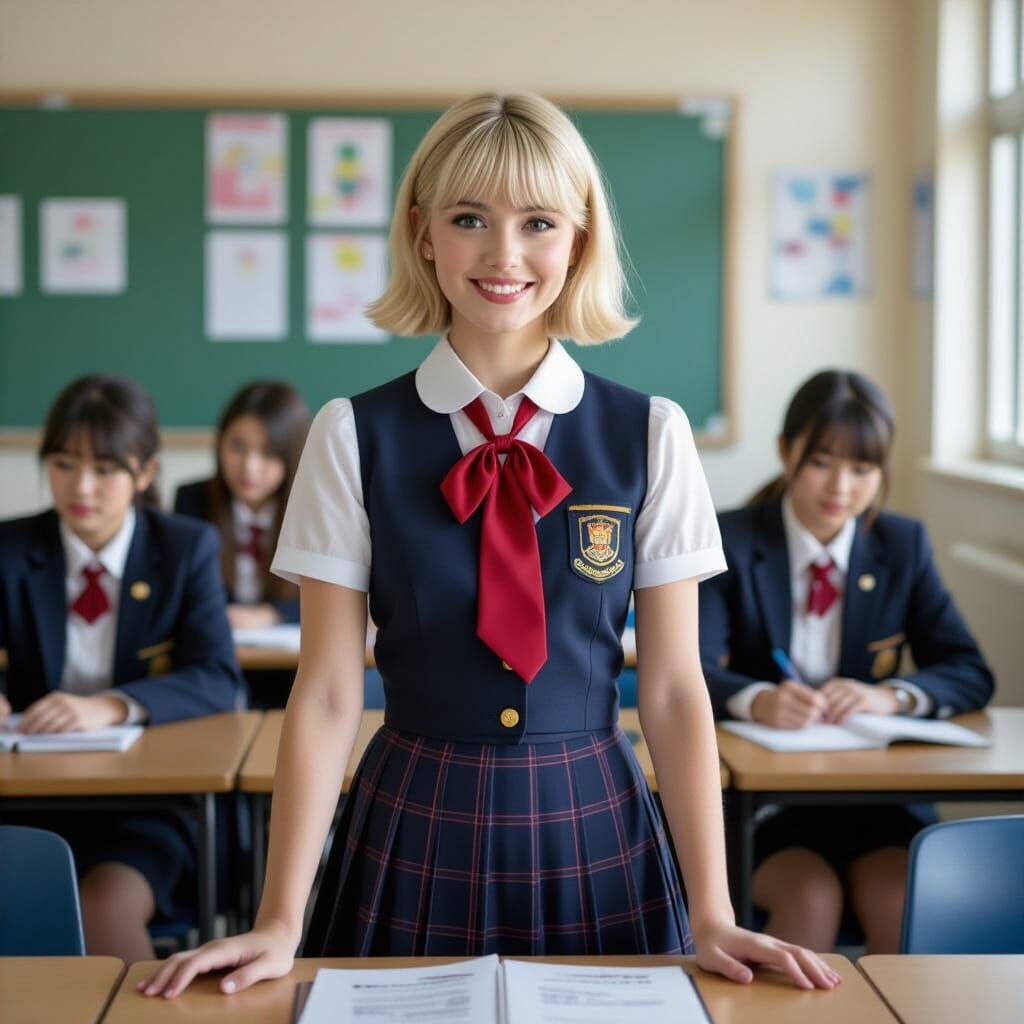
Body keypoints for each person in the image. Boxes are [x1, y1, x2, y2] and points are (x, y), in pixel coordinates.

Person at [141, 92, 838, 997]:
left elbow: (670, 688)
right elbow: (323, 693)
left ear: (579, 241)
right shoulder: (351, 435)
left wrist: (713, 909)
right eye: (471, 218)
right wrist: (279, 916)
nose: (503, 255)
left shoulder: (651, 433)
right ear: (423, 232)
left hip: (593, 820)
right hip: (411, 817)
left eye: (538, 223)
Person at [699, 369, 994, 953]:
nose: (841, 486)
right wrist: (756, 699)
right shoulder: (729, 538)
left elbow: (968, 669)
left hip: (874, 802)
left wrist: (893, 695)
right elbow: (687, 669)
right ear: (786, 452)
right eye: (822, 461)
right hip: (768, 805)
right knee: (810, 898)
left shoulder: (901, 546)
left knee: (898, 901)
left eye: (863, 469)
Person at [0, 373, 245, 961]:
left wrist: (108, 705)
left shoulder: (184, 548)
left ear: (144, 473)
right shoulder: (10, 548)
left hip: (146, 803)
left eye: (105, 470)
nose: (81, 486)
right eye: (62, 464)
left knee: (103, 908)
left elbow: (219, 677)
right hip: (26, 796)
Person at [174, 381, 309, 629]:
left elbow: (335, 597)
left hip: (290, 660)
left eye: (268, 452)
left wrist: (271, 614)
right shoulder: (192, 500)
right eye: (237, 446)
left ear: (292, 455)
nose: (249, 467)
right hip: (219, 652)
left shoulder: (312, 510)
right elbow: (182, 591)